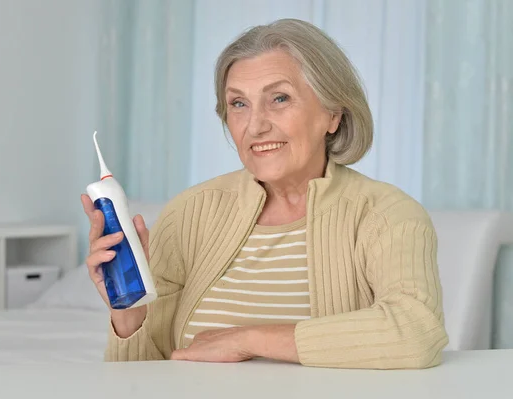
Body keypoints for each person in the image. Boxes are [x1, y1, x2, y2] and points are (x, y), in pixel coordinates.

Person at [80, 18, 448, 369]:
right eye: (239, 104)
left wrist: (248, 340)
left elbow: (416, 332)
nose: (255, 125)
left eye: (280, 99)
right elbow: (138, 379)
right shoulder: (189, 213)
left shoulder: (386, 214)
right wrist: (129, 316)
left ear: (333, 115)